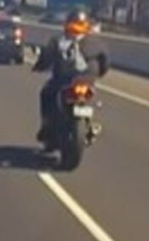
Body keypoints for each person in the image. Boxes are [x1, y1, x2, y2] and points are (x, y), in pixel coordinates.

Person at [31, 9, 109, 147]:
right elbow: (105, 63)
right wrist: (98, 74)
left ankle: (47, 125)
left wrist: (39, 66)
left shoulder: (60, 41)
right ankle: (89, 125)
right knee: (90, 97)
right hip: (88, 81)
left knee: (46, 93)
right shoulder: (96, 42)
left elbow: (46, 58)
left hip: (65, 81)